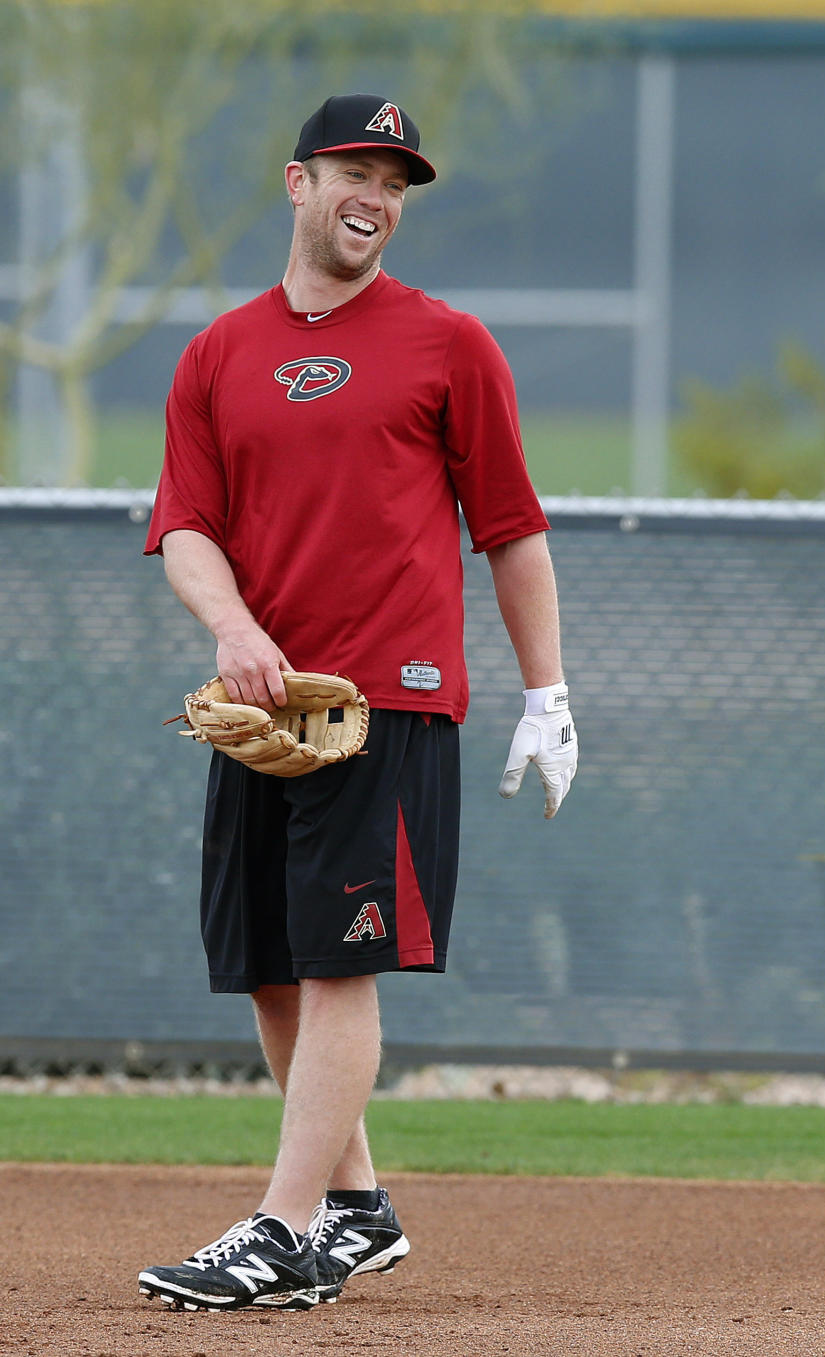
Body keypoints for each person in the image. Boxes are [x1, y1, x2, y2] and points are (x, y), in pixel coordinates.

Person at [137, 92, 578, 1313]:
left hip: (390, 698)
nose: (376, 194)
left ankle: (284, 1231)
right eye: (355, 169)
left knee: (340, 968)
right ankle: (357, 1207)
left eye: (395, 178)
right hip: (268, 709)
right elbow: (184, 530)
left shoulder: (447, 343)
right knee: (273, 967)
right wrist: (233, 629)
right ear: (297, 182)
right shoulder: (219, 351)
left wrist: (547, 693)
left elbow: (513, 529)